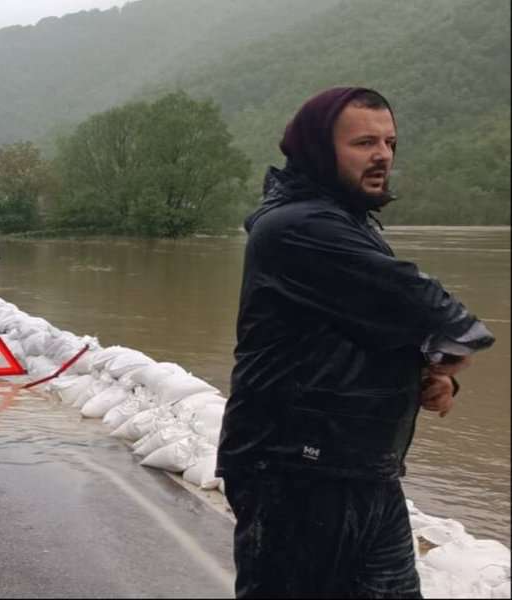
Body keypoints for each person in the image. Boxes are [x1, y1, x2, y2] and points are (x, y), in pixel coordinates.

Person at [217, 87, 496, 598]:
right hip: (296, 474)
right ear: (319, 151)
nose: (383, 155)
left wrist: (427, 375)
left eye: (390, 142)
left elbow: (368, 329)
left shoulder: (345, 222)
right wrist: (448, 352)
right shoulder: (299, 227)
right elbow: (436, 312)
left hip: (359, 467)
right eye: (364, 143)